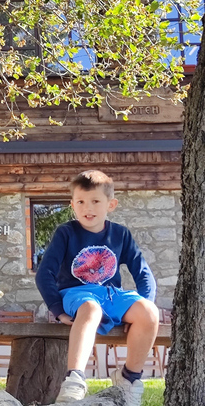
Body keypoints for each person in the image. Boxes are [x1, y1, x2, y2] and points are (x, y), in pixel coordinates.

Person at [35, 170, 159, 406]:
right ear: (72, 204)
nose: (87, 208)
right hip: (77, 294)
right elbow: (44, 273)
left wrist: (144, 304)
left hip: (112, 295)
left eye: (95, 201)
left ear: (110, 204)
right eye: (80, 202)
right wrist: (57, 310)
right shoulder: (66, 233)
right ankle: (75, 379)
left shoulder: (121, 234)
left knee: (150, 313)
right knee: (91, 309)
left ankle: (129, 378)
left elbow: (142, 272)